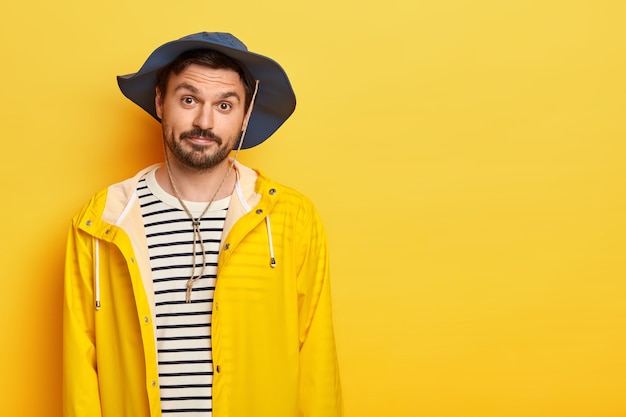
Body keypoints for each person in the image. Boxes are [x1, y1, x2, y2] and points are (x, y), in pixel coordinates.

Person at [63, 32, 343, 417]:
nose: (204, 121)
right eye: (189, 99)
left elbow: (317, 360)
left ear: (246, 115)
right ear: (161, 101)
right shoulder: (103, 220)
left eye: (225, 105)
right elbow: (81, 366)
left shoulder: (291, 218)